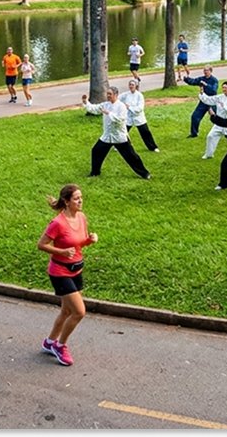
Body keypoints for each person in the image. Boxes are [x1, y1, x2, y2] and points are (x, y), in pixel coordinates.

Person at [37, 184, 98, 366]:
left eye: (81, 197)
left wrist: (89, 240)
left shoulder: (81, 217)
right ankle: (60, 345)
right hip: (60, 272)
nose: (80, 201)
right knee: (79, 312)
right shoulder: (58, 223)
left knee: (67, 311)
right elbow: (41, 245)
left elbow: (78, 243)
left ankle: (49, 342)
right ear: (66, 201)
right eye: (76, 198)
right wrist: (61, 252)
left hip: (76, 269)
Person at [80, 87, 150, 179]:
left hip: (119, 137)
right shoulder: (106, 104)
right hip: (107, 136)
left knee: (131, 156)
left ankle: (145, 173)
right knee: (96, 151)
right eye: (107, 94)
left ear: (116, 95)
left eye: (110, 94)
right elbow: (95, 109)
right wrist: (86, 102)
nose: (108, 96)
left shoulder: (121, 106)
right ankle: (95, 173)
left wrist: (109, 113)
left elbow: (120, 119)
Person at [199, 81, 227, 160]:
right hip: (219, 122)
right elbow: (209, 99)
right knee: (210, 136)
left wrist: (224, 106)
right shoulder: (219, 97)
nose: (224, 89)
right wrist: (202, 93)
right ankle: (209, 154)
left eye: (225, 87)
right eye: (223, 87)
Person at [121, 78, 160, 152]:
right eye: (130, 85)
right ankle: (120, 146)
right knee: (122, 132)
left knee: (145, 132)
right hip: (128, 118)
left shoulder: (139, 95)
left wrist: (129, 107)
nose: (131, 86)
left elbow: (140, 108)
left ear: (136, 86)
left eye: (132, 85)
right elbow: (118, 99)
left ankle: (153, 147)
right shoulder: (125, 95)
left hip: (139, 118)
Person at [182, 66, 219, 138]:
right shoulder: (202, 79)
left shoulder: (214, 80)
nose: (205, 72)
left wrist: (205, 84)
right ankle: (194, 133)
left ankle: (226, 132)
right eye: (204, 70)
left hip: (212, 101)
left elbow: (214, 90)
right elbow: (193, 81)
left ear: (210, 71)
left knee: (217, 118)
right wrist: (186, 79)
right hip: (204, 101)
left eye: (207, 70)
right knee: (195, 116)